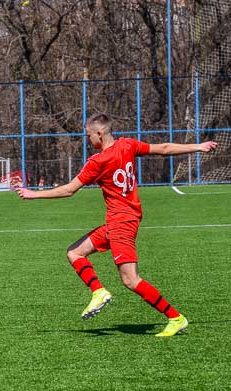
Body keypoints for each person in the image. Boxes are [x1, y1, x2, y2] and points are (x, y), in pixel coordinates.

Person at [15, 113, 217, 337]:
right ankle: (98, 291)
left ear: (99, 134)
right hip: (120, 220)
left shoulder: (98, 161)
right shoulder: (127, 145)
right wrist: (198, 146)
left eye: (89, 135)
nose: (88, 140)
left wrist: (34, 194)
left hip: (122, 223)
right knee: (74, 252)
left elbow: (69, 189)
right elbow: (165, 148)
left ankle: (175, 317)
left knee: (130, 280)